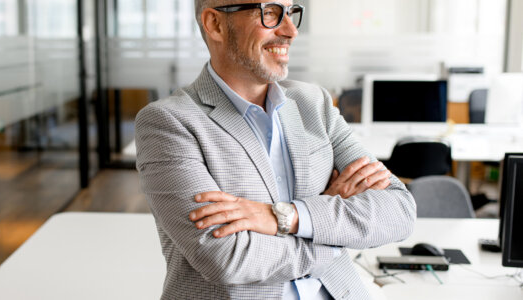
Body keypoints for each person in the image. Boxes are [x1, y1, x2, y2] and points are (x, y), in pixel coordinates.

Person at [135, 1, 416, 299]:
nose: (290, 31)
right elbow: (227, 258)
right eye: (270, 13)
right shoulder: (168, 122)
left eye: (291, 12)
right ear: (215, 24)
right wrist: (333, 235)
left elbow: (399, 211)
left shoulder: (313, 103)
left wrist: (288, 216)